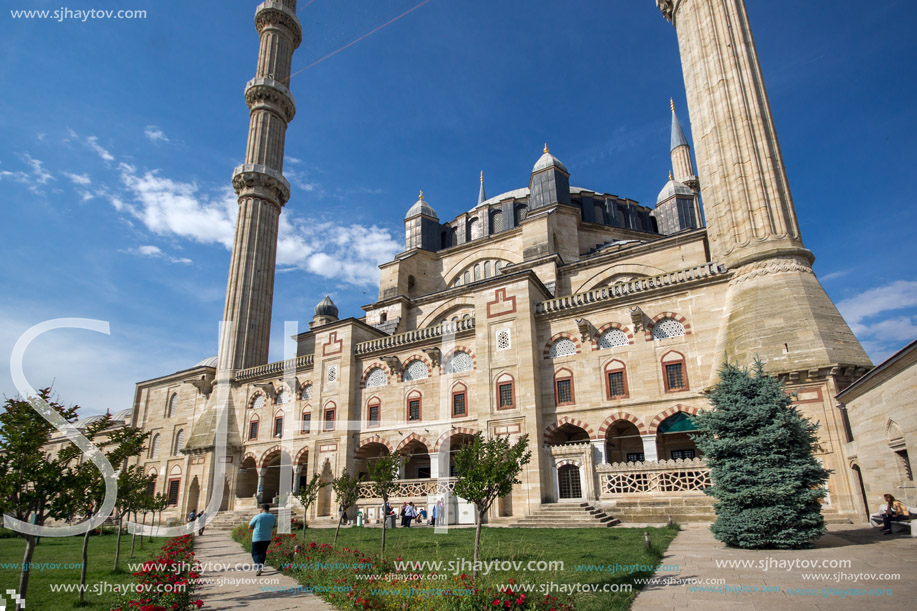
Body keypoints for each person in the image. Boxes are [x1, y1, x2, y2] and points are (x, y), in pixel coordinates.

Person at [249, 504, 276, 576]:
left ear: (262, 509)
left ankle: (259, 567)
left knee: (255, 553)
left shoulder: (258, 516)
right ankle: (261, 566)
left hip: (257, 538)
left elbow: (250, 526)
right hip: (267, 537)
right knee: (263, 552)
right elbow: (275, 525)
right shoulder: (272, 517)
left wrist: (254, 527)